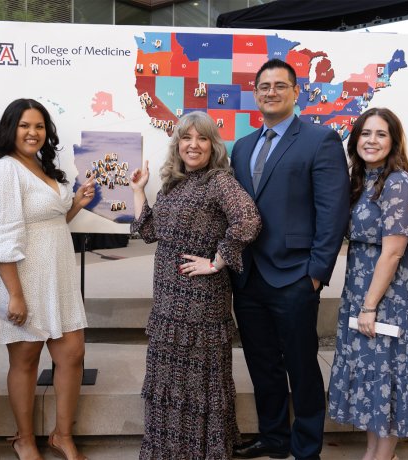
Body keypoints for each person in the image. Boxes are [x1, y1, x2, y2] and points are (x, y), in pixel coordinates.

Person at [229, 59, 350, 460]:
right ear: (256, 93)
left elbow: (333, 213)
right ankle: (274, 437)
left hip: (296, 276)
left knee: (301, 365)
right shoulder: (243, 146)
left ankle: (306, 446)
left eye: (280, 85)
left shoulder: (320, 140)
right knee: (262, 363)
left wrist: (316, 273)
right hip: (248, 277)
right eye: (264, 86)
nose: (271, 92)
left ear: (296, 92)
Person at [130, 111, 261, 459]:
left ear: (212, 145)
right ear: (178, 144)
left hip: (201, 303)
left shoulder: (218, 181)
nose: (193, 145)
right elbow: (150, 232)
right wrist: (139, 191)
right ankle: (169, 449)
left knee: (198, 382)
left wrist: (218, 260)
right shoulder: (174, 183)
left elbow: (248, 220)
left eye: (202, 138)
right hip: (167, 303)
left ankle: (202, 450)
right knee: (169, 379)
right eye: (186, 138)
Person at [0, 99, 94, 460]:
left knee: (72, 354)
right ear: (10, 129)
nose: (33, 133)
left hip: (57, 280)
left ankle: (62, 435)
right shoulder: (3, 171)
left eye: (39, 126)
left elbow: (51, 224)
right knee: (25, 360)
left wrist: (74, 204)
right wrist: (15, 294)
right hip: (22, 281)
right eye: (25, 125)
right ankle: (25, 438)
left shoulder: (43, 167)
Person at [327, 108, 408, 460]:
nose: (372, 140)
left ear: (394, 141)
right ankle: (375, 454)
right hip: (363, 286)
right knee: (373, 379)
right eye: (365, 133)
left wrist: (369, 306)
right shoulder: (362, 179)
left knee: (387, 375)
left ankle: (380, 456)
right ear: (355, 140)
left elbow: (393, 252)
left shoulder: (397, 182)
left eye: (381, 134)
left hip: (388, 293)